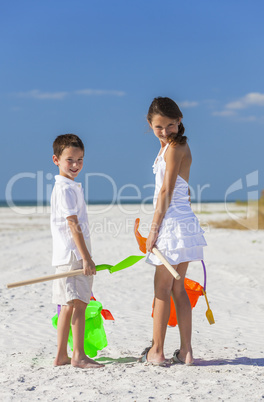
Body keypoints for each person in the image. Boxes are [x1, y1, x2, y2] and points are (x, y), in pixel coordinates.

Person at [142, 97, 207, 366]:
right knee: (178, 289)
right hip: (185, 223)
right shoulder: (172, 146)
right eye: (159, 127)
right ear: (149, 125)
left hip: (171, 224)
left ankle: (157, 351)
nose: (166, 131)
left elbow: (166, 192)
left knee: (162, 289)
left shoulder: (173, 147)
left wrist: (153, 230)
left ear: (179, 121)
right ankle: (186, 351)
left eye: (171, 125)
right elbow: (182, 187)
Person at [51, 133, 103, 369]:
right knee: (79, 303)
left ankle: (61, 355)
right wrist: (87, 258)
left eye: (80, 160)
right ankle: (78, 356)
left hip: (65, 256)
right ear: (56, 160)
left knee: (67, 305)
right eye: (69, 160)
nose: (75, 165)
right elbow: (73, 224)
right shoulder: (66, 189)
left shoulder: (66, 186)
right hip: (73, 256)